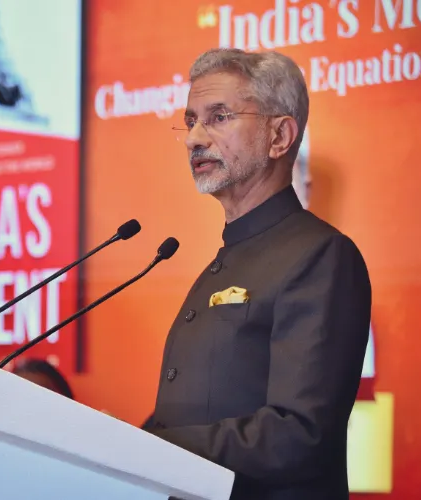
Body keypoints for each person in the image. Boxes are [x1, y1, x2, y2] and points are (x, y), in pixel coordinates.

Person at [151, 48, 372, 500]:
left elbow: (299, 432)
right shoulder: (224, 262)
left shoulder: (321, 256)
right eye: (191, 119)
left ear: (280, 136)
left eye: (218, 117)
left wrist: (155, 449)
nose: (194, 137)